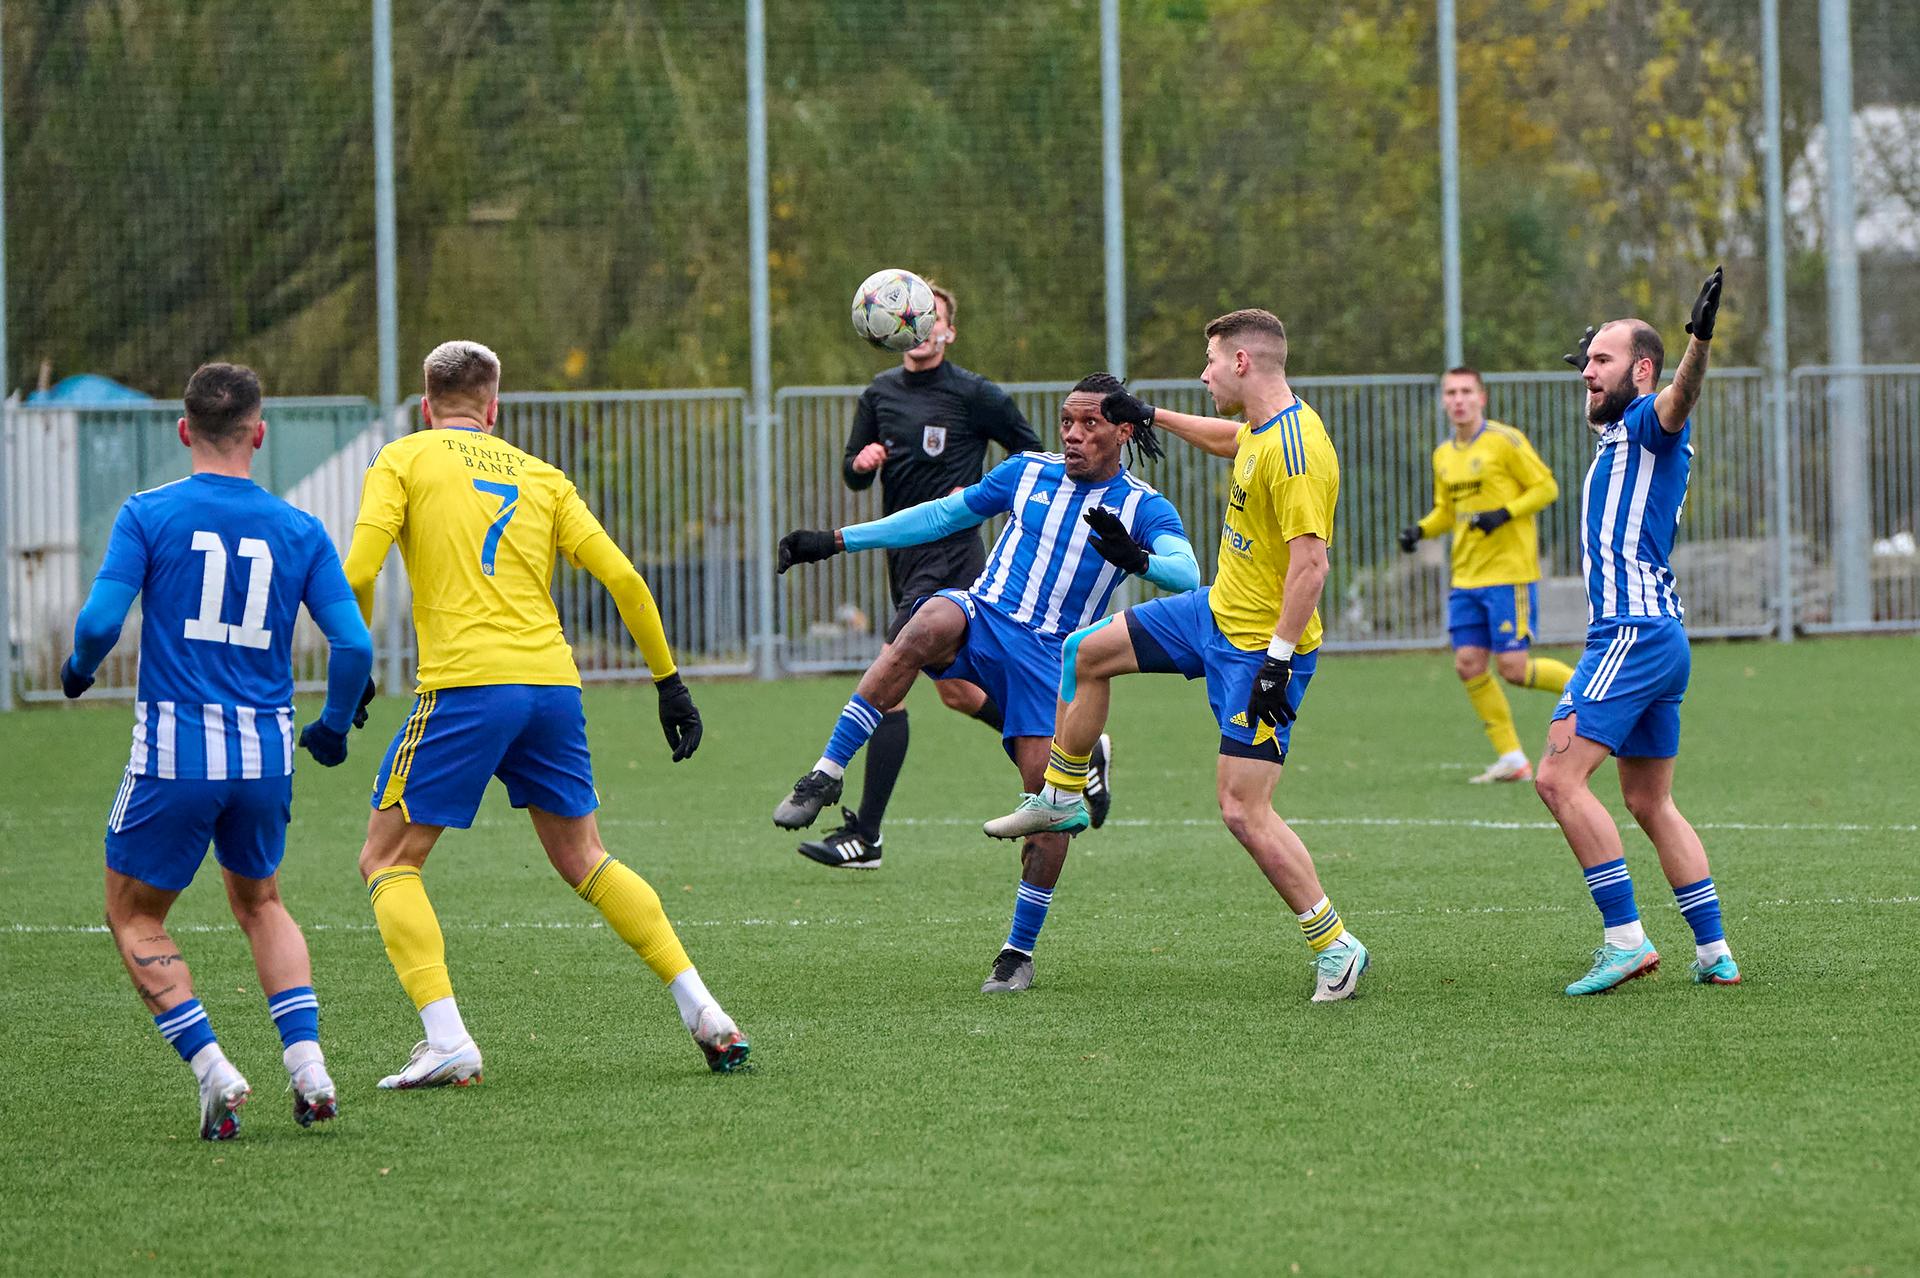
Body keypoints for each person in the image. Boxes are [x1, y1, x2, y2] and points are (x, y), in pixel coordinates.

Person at [341, 340, 748, 1086]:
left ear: (428, 405)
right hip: (553, 688)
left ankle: (448, 1039)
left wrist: (353, 664)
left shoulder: (403, 457)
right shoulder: (541, 475)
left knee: (387, 859)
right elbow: (623, 577)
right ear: (495, 408)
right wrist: (669, 683)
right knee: (585, 857)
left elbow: (359, 570)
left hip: (467, 686)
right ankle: (706, 1011)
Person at [984, 310, 1372, 1003]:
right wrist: (1151, 414)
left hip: (1258, 651)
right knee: (1087, 652)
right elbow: (1230, 439)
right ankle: (1061, 798)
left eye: (1211, 360)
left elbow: (1312, 566)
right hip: (1214, 614)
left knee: (1242, 810)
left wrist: (1278, 661)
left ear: (1244, 364)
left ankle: (1334, 943)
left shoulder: (1300, 452)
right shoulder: (1265, 426)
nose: (1204, 372)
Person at [774, 374, 1196, 991]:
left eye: (1090, 425)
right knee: (920, 627)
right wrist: (837, 540)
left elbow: (1187, 573)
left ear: (1124, 431)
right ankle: (826, 773)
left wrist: (1141, 561)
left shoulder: (1143, 506)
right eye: (1066, 423)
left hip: (1049, 660)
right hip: (982, 615)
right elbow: (941, 515)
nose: (1073, 435)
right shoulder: (1027, 471)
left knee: (1048, 810)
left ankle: (1017, 953)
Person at [59, 362, 375, 1140]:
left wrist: (77, 671)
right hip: (265, 757)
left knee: (134, 916)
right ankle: (308, 1066)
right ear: (258, 435)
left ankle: (212, 1068)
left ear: (182, 430)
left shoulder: (147, 514)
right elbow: (355, 643)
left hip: (176, 753)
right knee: (261, 901)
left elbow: (100, 623)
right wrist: (333, 726)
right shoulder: (300, 529)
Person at [807, 279, 1081, 871]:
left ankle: (866, 835)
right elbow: (854, 474)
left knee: (890, 683)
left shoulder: (974, 394)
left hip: (954, 552)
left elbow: (1032, 454)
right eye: (907, 319)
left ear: (946, 329)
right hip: (905, 556)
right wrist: (863, 464)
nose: (919, 328)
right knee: (958, 693)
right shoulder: (879, 394)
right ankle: (1075, 745)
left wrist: (982, 492)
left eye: (928, 318)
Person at [1535, 267, 1742, 994]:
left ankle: (1625, 939)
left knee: (1557, 779)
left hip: (1633, 632)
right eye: (1585, 362)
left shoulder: (1652, 419)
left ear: (1643, 369)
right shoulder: (1619, 436)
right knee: (1650, 801)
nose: (1587, 371)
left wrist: (1700, 339)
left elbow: (1684, 397)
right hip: (1659, 637)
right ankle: (1714, 950)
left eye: (1600, 360)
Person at [1397, 367, 1574, 783]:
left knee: (1513, 667)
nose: (1458, 399)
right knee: (1468, 664)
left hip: (1508, 574)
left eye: (1465, 391)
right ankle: (1512, 758)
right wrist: (1420, 530)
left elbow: (1547, 487)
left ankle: (1594, 695)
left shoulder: (1505, 441)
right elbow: (1447, 511)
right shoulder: (1443, 454)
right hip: (1466, 578)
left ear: (1482, 397)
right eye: (1450, 393)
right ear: (1443, 401)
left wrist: (1504, 514)